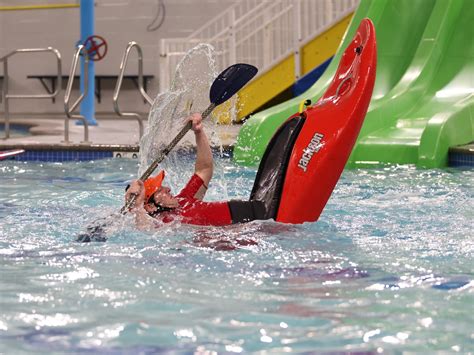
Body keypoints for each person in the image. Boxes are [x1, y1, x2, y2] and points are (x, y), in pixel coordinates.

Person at [125, 113, 267, 230]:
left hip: (253, 212)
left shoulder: (184, 199)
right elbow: (145, 232)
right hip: (253, 226)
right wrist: (137, 206)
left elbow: (204, 169)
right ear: (150, 206)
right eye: (160, 190)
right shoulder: (165, 225)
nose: (167, 188)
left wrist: (199, 132)